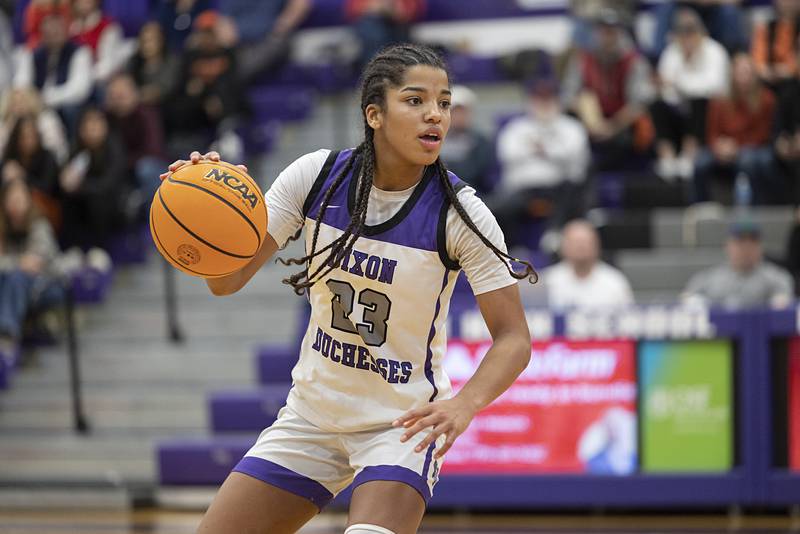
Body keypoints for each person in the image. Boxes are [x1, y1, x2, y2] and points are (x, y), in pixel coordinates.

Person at [160, 44, 534, 534]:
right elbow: (225, 281)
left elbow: (514, 338)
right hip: (312, 416)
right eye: (415, 100)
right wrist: (216, 213)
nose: (435, 115)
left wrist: (463, 405)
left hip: (400, 425)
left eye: (443, 102)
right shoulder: (315, 176)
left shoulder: (461, 213)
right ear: (374, 115)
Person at [492, 75, 590, 248]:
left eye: (548, 98)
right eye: (539, 98)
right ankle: (509, 250)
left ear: (557, 100)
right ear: (531, 100)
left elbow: (574, 155)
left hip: (559, 188)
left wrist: (544, 150)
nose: (544, 103)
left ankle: (556, 236)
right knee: (499, 208)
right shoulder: (515, 128)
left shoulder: (571, 127)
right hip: (522, 189)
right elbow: (507, 154)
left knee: (575, 193)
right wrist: (548, 152)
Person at [560, 8, 655, 170]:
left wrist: (612, 127)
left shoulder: (633, 61)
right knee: (571, 121)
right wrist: (592, 122)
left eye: (611, 32)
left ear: (619, 34)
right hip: (590, 120)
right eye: (603, 31)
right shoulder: (583, 59)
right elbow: (567, 96)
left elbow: (638, 103)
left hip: (620, 122)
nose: (607, 37)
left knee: (632, 135)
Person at [651, 8, 730, 181]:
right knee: (657, 105)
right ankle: (667, 158)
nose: (687, 38)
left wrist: (679, 85)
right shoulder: (671, 52)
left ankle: (689, 156)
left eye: (691, 32)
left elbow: (714, 87)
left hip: (710, 111)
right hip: (679, 109)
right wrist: (680, 88)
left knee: (699, 102)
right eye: (682, 33)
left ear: (702, 32)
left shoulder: (715, 51)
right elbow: (665, 88)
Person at [693, 53, 776, 204]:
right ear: (732, 75)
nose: (743, 78)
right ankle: (700, 206)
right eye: (739, 73)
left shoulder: (766, 99)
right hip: (723, 148)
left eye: (747, 73)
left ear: (754, 76)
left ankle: (757, 207)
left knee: (748, 161)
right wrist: (719, 147)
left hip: (753, 147)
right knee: (700, 162)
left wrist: (736, 147)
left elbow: (763, 134)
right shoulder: (719, 100)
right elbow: (712, 132)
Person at [0, 179, 62, 363]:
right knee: (11, 278)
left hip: (48, 285)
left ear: (28, 200)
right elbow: (20, 263)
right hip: (14, 286)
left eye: (19, 198)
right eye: (11, 198)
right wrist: (18, 262)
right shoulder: (2, 228)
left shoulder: (39, 225)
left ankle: (7, 336)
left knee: (17, 278)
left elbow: (35, 263)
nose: (15, 203)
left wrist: (11, 263)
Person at [59, 106, 128, 252]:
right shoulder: (76, 148)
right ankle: (72, 248)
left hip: (110, 199)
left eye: (96, 125)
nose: (92, 130)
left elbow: (109, 183)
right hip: (82, 197)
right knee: (67, 199)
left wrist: (82, 187)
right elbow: (66, 177)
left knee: (97, 201)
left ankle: (100, 249)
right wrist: (66, 181)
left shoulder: (113, 147)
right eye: (88, 126)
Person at [683, 220, 793, 309]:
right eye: (740, 242)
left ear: (760, 247)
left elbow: (784, 303)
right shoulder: (708, 278)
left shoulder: (777, 278)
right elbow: (687, 299)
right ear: (728, 246)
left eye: (752, 242)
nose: (746, 248)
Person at [13, 11, 93, 133]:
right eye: (48, 33)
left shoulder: (79, 52)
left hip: (64, 103)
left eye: (57, 31)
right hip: (37, 104)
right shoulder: (33, 55)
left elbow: (80, 89)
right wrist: (29, 99)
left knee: (70, 110)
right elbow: (22, 81)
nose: (53, 35)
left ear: (65, 31)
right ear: (42, 35)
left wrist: (47, 98)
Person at [539, 219, 634, 311]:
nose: (581, 247)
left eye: (585, 242)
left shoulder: (614, 281)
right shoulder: (548, 280)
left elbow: (629, 317)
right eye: (575, 242)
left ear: (597, 245)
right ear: (563, 247)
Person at [104, 73, 168, 201]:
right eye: (114, 97)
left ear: (134, 94)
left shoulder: (146, 114)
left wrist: (124, 162)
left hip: (152, 166)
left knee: (145, 167)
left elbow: (153, 150)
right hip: (123, 169)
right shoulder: (107, 119)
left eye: (122, 96)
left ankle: (155, 207)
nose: (118, 101)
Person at [217, 0, 311, 83]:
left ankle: (227, 81)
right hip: (236, 42)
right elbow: (223, 19)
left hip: (270, 39)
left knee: (234, 68)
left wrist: (282, 26)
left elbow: (300, 4)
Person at [0, 116, 62, 229]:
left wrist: (22, 176)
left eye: (32, 136)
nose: (28, 141)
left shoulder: (47, 157)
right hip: (10, 210)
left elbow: (47, 188)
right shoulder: (9, 158)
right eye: (23, 137)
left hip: (44, 207)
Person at [438, 85, 494, 197]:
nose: (459, 116)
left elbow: (485, 176)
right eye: (455, 112)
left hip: (475, 194)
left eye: (463, 112)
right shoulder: (435, 139)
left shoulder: (481, 141)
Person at [346, 0, 426, 69]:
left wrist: (398, 10)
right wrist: (375, 8)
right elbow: (353, 10)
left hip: (400, 24)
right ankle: (378, 70)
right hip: (372, 23)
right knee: (372, 28)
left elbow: (415, 8)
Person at [0, 87, 69, 165]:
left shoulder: (47, 120)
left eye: (22, 102)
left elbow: (56, 151)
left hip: (44, 164)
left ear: (31, 102)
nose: (18, 107)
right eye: (14, 104)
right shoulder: (5, 124)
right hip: (15, 165)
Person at [69, 0, 130, 85]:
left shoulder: (109, 27)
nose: (82, 3)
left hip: (97, 81)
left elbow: (106, 66)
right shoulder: (72, 28)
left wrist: (83, 78)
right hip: (75, 79)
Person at [751, 0, 800, 97]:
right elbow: (757, 56)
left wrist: (788, 70)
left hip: (794, 81)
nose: (788, 3)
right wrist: (765, 70)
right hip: (768, 78)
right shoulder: (766, 27)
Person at [127, 21, 180, 108]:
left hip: (167, 107)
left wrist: (141, 94)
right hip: (137, 108)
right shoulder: (133, 62)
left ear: (161, 41)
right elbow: (126, 85)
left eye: (151, 40)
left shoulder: (172, 62)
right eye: (143, 41)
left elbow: (167, 88)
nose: (146, 45)